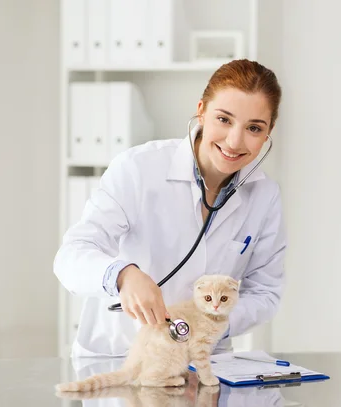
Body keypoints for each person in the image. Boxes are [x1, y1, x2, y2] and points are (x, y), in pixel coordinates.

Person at [54, 59, 287, 358]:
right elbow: (71, 256)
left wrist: (212, 322)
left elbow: (265, 292)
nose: (234, 141)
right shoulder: (138, 168)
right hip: (120, 358)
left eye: (254, 128)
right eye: (224, 119)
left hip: (204, 361)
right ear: (201, 111)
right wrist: (122, 275)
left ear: (268, 133)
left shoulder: (265, 196)